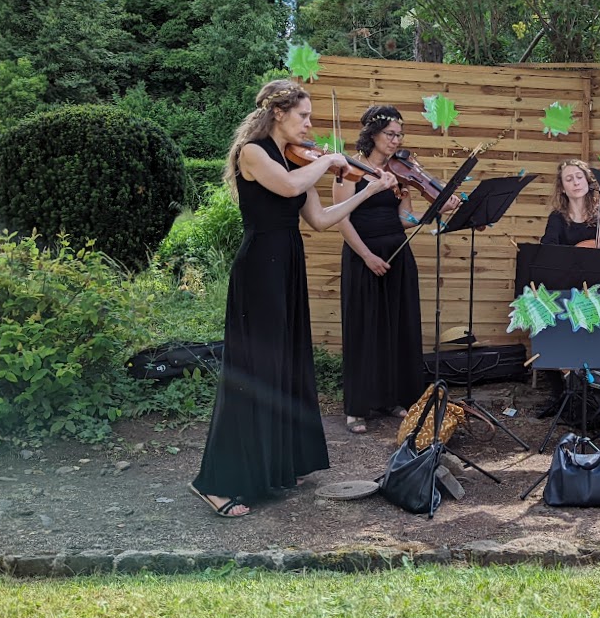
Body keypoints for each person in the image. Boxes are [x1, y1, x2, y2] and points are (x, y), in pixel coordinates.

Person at [189, 80, 398, 518]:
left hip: (287, 264)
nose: (309, 125)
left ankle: (276, 466)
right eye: (303, 116)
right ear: (278, 113)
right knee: (253, 370)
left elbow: (319, 219)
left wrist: (368, 191)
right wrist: (328, 162)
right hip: (259, 268)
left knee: (285, 365)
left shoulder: (298, 159)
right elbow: (286, 188)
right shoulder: (253, 153)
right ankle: (215, 483)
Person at [334, 105, 460, 434]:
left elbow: (405, 218)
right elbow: (341, 219)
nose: (396, 140)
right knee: (364, 330)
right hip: (363, 255)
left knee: (398, 328)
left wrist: (433, 211)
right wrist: (366, 256)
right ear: (372, 134)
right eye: (390, 134)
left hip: (397, 254)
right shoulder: (348, 169)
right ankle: (357, 408)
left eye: (400, 135)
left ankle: (393, 399)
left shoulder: (399, 173)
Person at [541, 158, 600, 247]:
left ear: (587, 181)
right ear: (562, 188)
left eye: (579, 177)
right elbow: (548, 249)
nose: (576, 183)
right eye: (569, 179)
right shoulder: (557, 217)